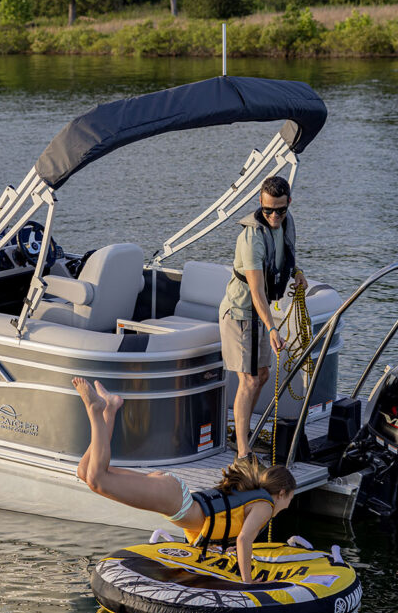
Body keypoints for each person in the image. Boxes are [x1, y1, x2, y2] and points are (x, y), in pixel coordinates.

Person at [73, 376, 296, 583]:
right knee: (97, 479)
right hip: (176, 502)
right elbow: (243, 540)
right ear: (282, 493)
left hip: (174, 495)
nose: (287, 506)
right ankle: (97, 410)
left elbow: (229, 533)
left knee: (86, 472)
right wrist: (247, 583)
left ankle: (110, 409)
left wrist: (225, 550)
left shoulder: (253, 499)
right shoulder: (265, 506)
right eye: (289, 500)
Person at [218, 175, 308, 458]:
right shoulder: (251, 238)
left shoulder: (285, 223)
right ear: (260, 203)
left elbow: (283, 260)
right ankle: (243, 452)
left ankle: (240, 434)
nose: (274, 216)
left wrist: (297, 273)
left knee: (263, 374)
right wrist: (272, 329)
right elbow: (256, 291)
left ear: (289, 204)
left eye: (280, 210)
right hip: (241, 313)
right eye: (268, 210)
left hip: (260, 314)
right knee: (249, 379)